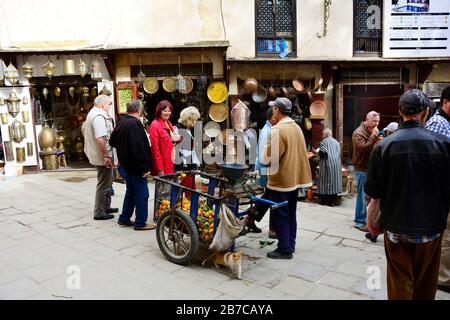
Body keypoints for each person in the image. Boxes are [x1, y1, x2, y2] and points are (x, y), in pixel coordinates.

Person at [365, 89, 450, 300]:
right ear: (425, 113)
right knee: (426, 281)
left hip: (396, 227)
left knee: (399, 282)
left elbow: (373, 192)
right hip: (431, 227)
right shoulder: (443, 144)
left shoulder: (383, 146)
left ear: (400, 112)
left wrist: (371, 217)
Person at [260, 97, 312, 259]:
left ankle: (284, 249)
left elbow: (268, 158)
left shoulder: (278, 130)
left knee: (280, 214)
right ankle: (290, 243)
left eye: (274, 109)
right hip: (295, 179)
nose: (273, 111)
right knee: (290, 213)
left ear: (277, 110)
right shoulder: (296, 127)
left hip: (281, 180)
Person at [109, 100, 156, 231]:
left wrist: (123, 149)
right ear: (139, 110)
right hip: (135, 167)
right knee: (142, 193)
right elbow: (138, 148)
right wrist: (145, 168)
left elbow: (112, 141)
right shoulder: (135, 124)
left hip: (126, 165)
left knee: (131, 191)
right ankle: (140, 222)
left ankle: (124, 218)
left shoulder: (122, 121)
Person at [425, 86, 450, 293]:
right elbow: (431, 161)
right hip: (440, 190)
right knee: (446, 236)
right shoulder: (437, 123)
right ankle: (442, 277)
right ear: (446, 102)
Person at [81, 94, 118, 220]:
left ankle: (106, 207)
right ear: (103, 105)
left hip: (99, 155)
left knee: (108, 181)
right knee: (104, 183)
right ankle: (99, 212)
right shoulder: (98, 117)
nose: (109, 107)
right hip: (102, 156)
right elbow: (100, 138)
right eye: (108, 104)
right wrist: (106, 156)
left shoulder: (93, 114)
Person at [246, 107, 277, 236]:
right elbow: (265, 156)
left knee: (269, 197)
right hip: (267, 169)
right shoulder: (267, 131)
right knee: (271, 198)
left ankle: (250, 219)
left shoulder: (270, 129)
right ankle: (272, 229)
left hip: (268, 169)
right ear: (273, 117)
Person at [351, 111, 381, 231]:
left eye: (378, 121)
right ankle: (359, 221)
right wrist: (374, 137)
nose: (376, 124)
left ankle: (364, 218)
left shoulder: (370, 130)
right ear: (366, 119)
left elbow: (372, 147)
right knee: (362, 196)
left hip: (369, 168)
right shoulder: (358, 132)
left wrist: (377, 140)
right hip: (361, 168)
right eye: (374, 121)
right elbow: (364, 148)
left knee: (367, 196)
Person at [148, 100, 182, 176]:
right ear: (159, 111)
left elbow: (170, 143)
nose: (167, 113)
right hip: (163, 165)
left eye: (169, 111)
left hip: (170, 162)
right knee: (164, 187)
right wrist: (160, 169)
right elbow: (155, 150)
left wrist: (178, 139)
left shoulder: (168, 123)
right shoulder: (154, 126)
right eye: (165, 111)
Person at [175, 106, 201, 192]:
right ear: (190, 119)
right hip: (182, 168)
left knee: (189, 191)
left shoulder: (188, 129)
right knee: (183, 192)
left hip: (188, 167)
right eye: (195, 119)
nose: (196, 122)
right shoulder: (178, 129)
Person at [314, 128, 342, 207]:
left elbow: (324, 154)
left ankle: (326, 201)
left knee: (325, 181)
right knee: (334, 182)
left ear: (325, 135)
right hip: (336, 164)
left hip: (327, 164)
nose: (322, 136)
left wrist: (316, 152)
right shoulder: (336, 142)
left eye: (323, 135)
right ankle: (333, 201)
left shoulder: (324, 142)